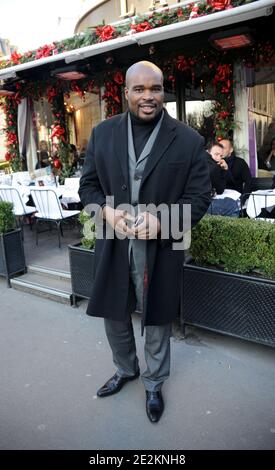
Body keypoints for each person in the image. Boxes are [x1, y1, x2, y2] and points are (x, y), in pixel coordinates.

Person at [79, 61, 211, 423]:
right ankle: (126, 369)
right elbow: (87, 187)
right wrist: (106, 213)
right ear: (126, 93)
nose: (148, 96)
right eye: (139, 89)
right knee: (113, 313)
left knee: (156, 318)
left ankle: (154, 382)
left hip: (161, 245)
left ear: (163, 90)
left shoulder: (187, 139)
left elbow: (200, 197)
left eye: (155, 88)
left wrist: (163, 221)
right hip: (113, 240)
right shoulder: (102, 134)